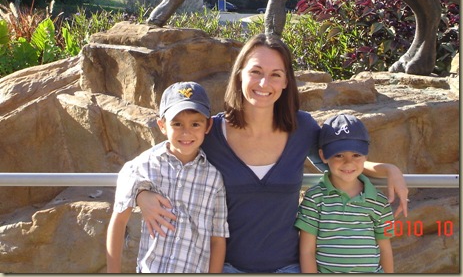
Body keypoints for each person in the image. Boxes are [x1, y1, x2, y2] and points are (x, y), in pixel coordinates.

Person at [137, 34, 408, 273]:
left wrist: (388, 170)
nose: (264, 82)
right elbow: (157, 163)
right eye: (256, 71)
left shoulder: (302, 128)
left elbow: (339, 162)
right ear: (240, 74)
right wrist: (141, 194)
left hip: (289, 267)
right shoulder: (210, 131)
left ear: (286, 81)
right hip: (225, 266)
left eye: (275, 74)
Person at [106, 81, 229, 273]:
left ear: (208, 125)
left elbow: (217, 239)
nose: (186, 132)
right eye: (177, 124)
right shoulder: (142, 166)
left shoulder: (214, 179)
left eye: (195, 124)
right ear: (162, 125)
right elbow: (119, 220)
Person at [295, 113, 394, 273]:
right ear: (323, 155)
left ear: (366, 155)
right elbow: (307, 252)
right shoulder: (314, 198)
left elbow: (385, 249)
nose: (348, 162)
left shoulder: (380, 202)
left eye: (356, 155)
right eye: (339, 155)